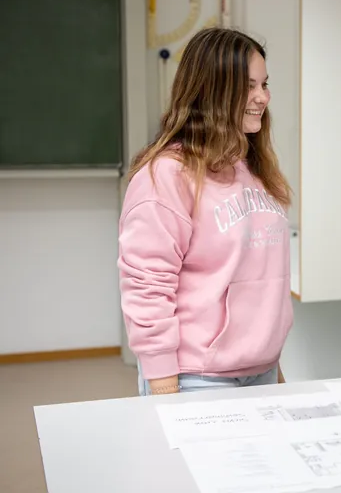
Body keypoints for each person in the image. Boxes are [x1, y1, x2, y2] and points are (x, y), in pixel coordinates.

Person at [117, 27, 293, 396]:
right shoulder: (165, 175)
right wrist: (165, 389)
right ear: (212, 91)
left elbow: (258, 279)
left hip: (260, 371)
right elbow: (148, 288)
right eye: (249, 86)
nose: (262, 97)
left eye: (264, 84)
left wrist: (272, 364)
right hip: (196, 378)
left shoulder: (255, 168)